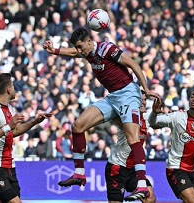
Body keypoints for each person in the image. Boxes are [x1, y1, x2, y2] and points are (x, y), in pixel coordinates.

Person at [43, 27, 159, 199]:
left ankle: (141, 184)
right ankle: (80, 173)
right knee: (77, 126)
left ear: (90, 41)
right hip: (113, 97)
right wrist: (56, 51)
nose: (80, 50)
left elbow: (133, 64)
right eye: (78, 47)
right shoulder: (86, 52)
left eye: (81, 46)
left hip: (128, 93)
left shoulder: (107, 49)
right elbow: (75, 53)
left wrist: (146, 89)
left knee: (133, 137)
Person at [0, 73, 52, 203]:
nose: (14, 89)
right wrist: (8, 126)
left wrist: (35, 122)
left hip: (9, 167)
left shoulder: (10, 109)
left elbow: (15, 130)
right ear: (8, 89)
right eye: (12, 86)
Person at [106, 91, 156, 202]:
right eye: (140, 100)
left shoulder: (147, 118)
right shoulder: (125, 118)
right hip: (117, 168)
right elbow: (112, 115)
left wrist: (157, 112)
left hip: (133, 168)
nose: (143, 102)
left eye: (144, 100)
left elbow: (156, 120)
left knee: (150, 198)